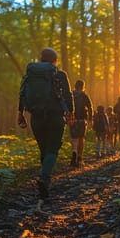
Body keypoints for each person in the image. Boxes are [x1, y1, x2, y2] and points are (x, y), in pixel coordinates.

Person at [17, 48, 73, 199]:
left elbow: (22, 93)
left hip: (36, 118)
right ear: (55, 60)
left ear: (41, 60)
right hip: (55, 117)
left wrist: (20, 113)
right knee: (52, 149)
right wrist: (70, 112)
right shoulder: (60, 74)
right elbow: (68, 95)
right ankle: (45, 178)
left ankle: (44, 178)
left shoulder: (30, 75)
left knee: (44, 149)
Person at [70, 80, 93, 167]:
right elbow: (90, 107)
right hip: (82, 119)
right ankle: (79, 158)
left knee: (73, 138)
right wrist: (90, 119)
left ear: (75, 86)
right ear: (83, 86)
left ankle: (74, 151)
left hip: (72, 119)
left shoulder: (71, 94)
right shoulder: (84, 95)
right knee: (81, 138)